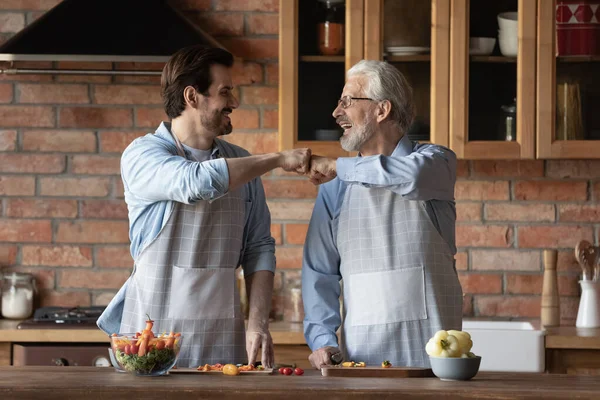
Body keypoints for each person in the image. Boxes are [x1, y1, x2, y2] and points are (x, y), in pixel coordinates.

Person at [97, 45, 311, 369]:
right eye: (225, 92)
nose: (234, 103)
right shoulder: (143, 155)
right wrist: (279, 159)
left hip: (222, 344)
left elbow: (259, 248)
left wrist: (258, 324)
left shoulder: (242, 162)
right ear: (192, 97)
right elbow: (196, 182)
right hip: (150, 348)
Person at [302, 60, 462, 369]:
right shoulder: (335, 188)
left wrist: (338, 166)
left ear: (382, 110)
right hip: (360, 365)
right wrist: (322, 339)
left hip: (434, 365)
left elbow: (411, 177)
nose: (336, 113)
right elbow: (319, 272)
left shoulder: (435, 162)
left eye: (347, 102)